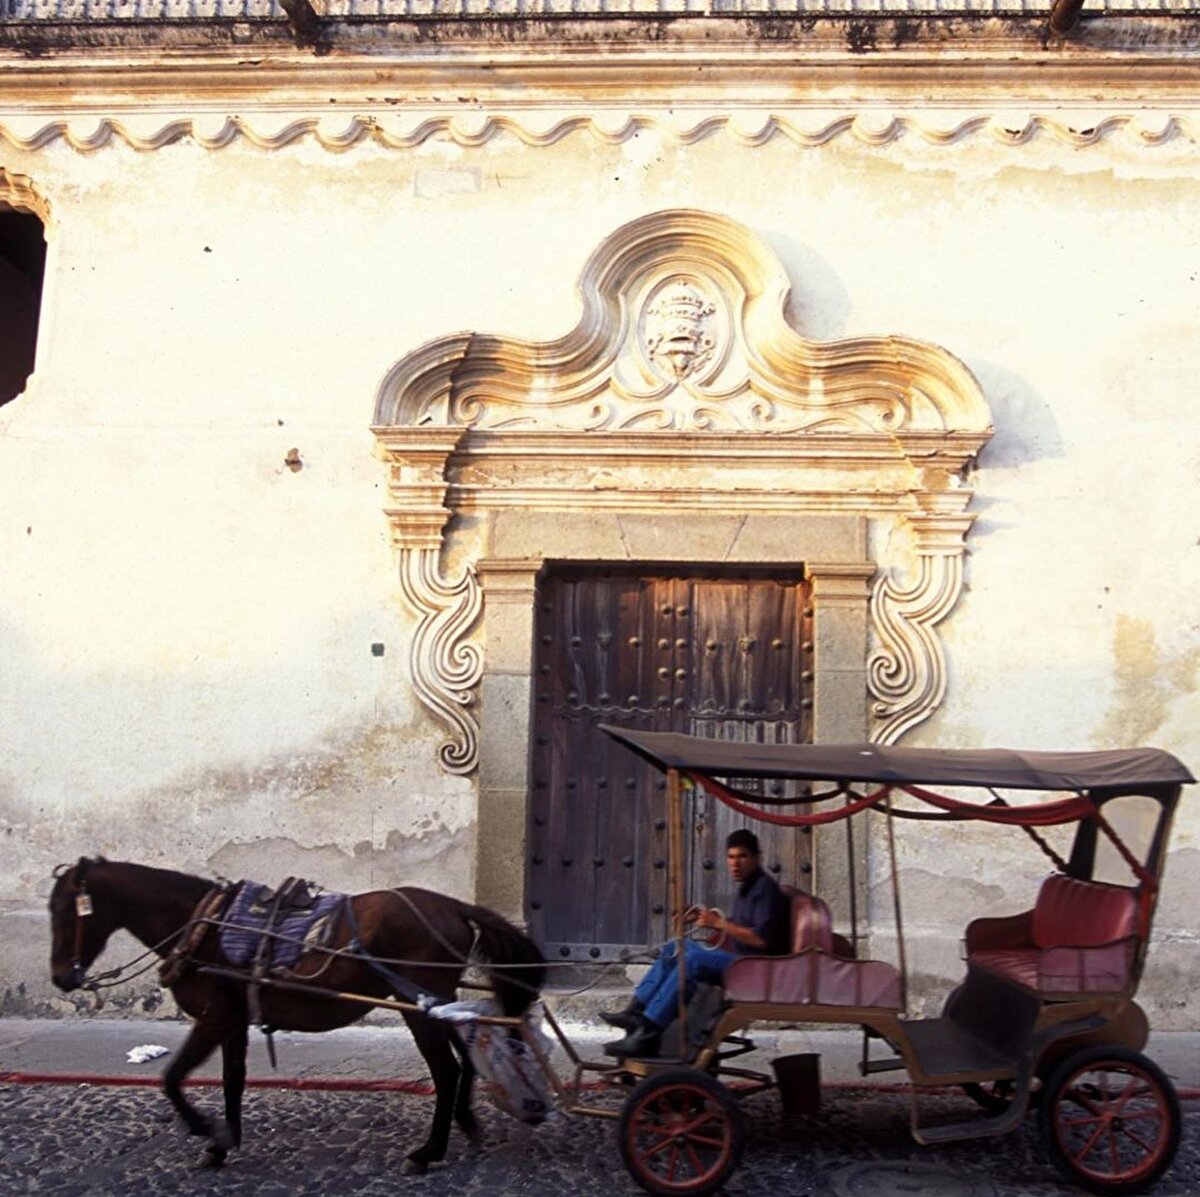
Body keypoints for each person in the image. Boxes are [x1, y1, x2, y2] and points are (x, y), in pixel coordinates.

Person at [601, 828, 791, 1058]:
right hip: (740, 960)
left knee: (692, 960)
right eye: (731, 857)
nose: (735, 863)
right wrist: (703, 917)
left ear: (757, 858)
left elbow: (760, 939)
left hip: (754, 968)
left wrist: (719, 924)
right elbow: (740, 925)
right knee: (675, 946)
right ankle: (636, 1012)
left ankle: (648, 1035)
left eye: (742, 856)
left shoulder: (765, 889)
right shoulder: (748, 887)